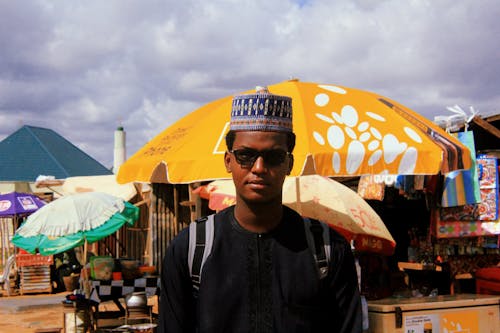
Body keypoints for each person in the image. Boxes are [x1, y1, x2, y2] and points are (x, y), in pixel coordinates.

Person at [158, 87, 362, 333]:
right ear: (228, 161)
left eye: (274, 156)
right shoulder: (191, 248)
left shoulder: (328, 250)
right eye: (246, 155)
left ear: (289, 163)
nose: (259, 168)